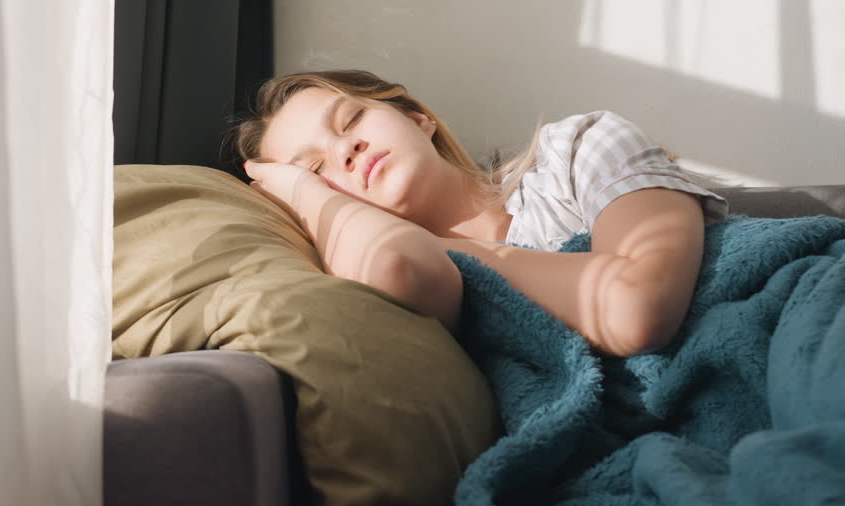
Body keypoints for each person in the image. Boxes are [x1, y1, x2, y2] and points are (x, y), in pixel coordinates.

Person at [232, 70, 729, 357]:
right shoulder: (383, 281)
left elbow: (636, 308)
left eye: (352, 119)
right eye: (317, 169)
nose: (347, 149)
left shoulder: (579, 150)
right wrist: (303, 194)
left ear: (417, 119)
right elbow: (394, 263)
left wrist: (432, 246)